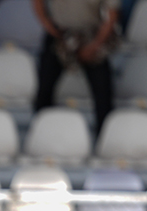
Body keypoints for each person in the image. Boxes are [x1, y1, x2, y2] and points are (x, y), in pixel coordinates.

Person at [32, 0, 120, 138]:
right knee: (44, 90)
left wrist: (94, 46)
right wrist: (50, 27)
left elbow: (112, 15)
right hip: (60, 34)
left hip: (92, 34)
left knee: (103, 92)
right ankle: (41, 136)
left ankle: (106, 139)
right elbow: (37, 2)